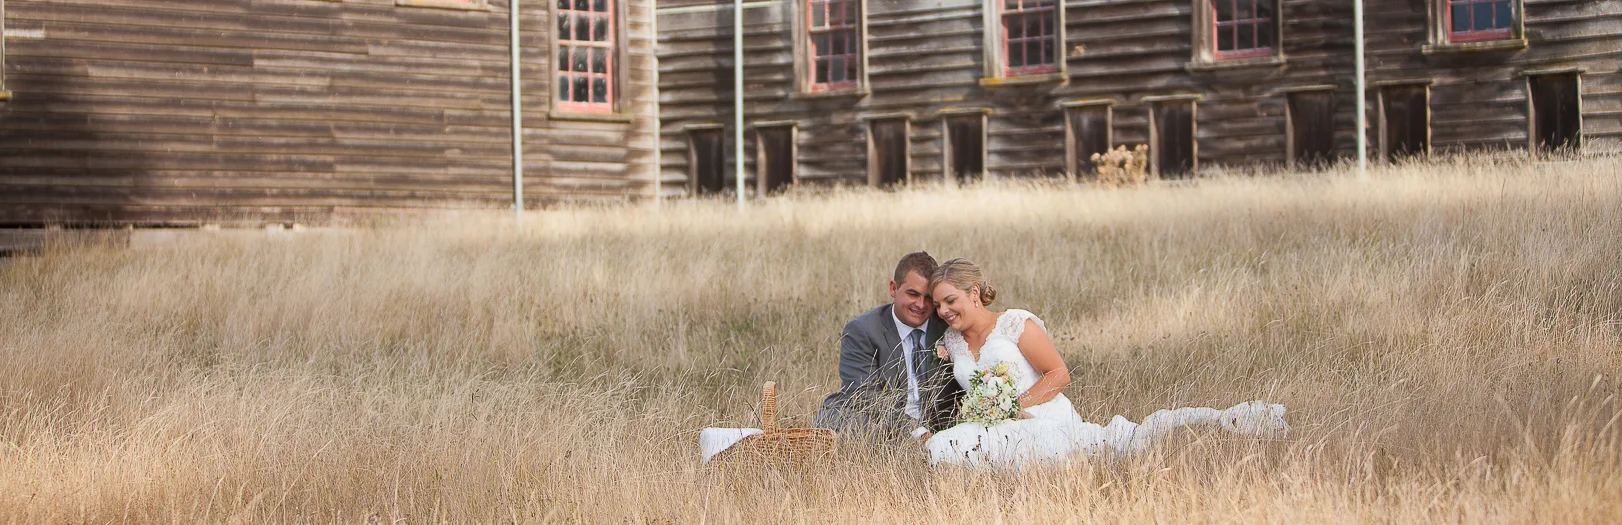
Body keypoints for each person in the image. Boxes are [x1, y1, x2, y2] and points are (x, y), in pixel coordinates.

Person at [923, 258, 1289, 468]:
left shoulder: (1015, 323)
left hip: (1040, 414)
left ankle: (1227, 424)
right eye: (938, 305)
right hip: (990, 424)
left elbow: (1059, 374)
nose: (943, 311)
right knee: (943, 448)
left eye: (950, 300)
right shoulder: (951, 342)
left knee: (1122, 444)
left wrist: (1014, 406)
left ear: (974, 293)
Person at [814, 251, 964, 442]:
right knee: (853, 427)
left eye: (928, 298)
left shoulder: (947, 327)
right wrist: (914, 431)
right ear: (893, 288)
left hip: (938, 425)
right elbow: (864, 394)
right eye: (912, 294)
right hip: (881, 420)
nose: (920, 305)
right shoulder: (862, 330)